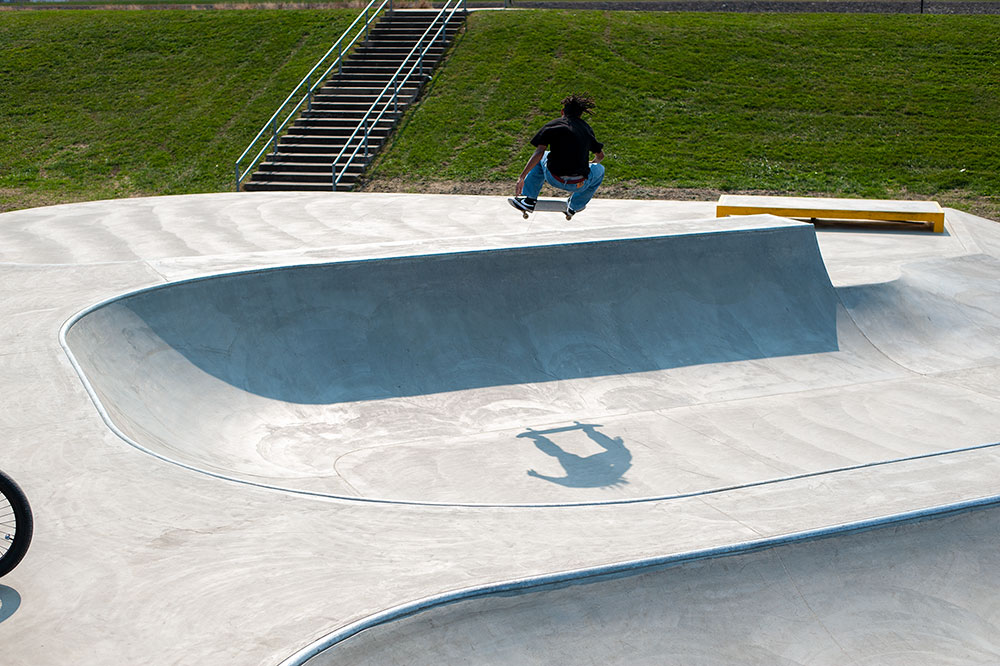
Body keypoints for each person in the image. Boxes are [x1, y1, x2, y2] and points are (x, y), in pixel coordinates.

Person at [509, 94, 605, 219]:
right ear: (580, 115)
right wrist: (591, 163)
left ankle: (529, 199)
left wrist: (522, 177)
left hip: (554, 178)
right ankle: (574, 206)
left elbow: (539, 152)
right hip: (578, 183)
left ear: (562, 112)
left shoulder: (553, 125)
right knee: (600, 169)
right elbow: (600, 156)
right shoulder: (586, 129)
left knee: (543, 155)